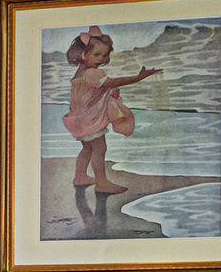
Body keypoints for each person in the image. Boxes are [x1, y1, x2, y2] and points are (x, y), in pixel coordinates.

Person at [63, 27, 158, 194]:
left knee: (87, 148)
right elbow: (113, 82)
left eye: (104, 55)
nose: (101, 59)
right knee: (99, 149)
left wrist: (109, 94)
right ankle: (102, 183)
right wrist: (138, 78)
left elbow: (91, 94)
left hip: (79, 119)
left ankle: (80, 177)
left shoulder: (81, 72)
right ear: (84, 54)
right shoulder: (92, 73)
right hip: (89, 120)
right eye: (97, 54)